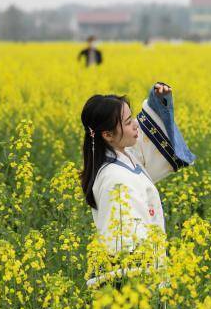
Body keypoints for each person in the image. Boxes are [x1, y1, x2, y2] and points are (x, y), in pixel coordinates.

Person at [80, 82, 196, 288]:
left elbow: (148, 147)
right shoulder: (115, 179)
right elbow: (124, 244)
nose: (136, 125)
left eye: (132, 117)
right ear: (107, 135)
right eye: (127, 122)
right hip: (134, 283)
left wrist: (158, 103)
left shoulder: (125, 157)